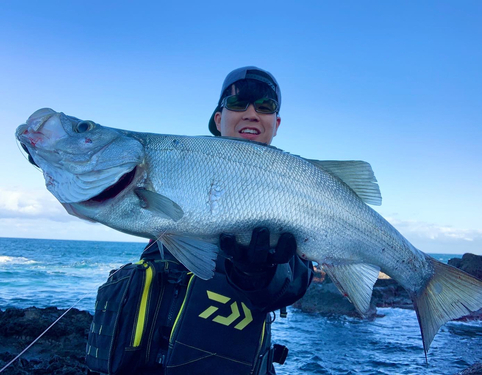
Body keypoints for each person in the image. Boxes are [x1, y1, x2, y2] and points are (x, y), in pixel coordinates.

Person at [86, 66, 314, 375]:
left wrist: (258, 274)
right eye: (237, 104)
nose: (251, 113)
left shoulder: (300, 191)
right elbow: (106, 188)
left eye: (265, 106)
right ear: (219, 119)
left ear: (276, 123)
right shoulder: (180, 171)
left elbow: (295, 281)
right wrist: (56, 154)